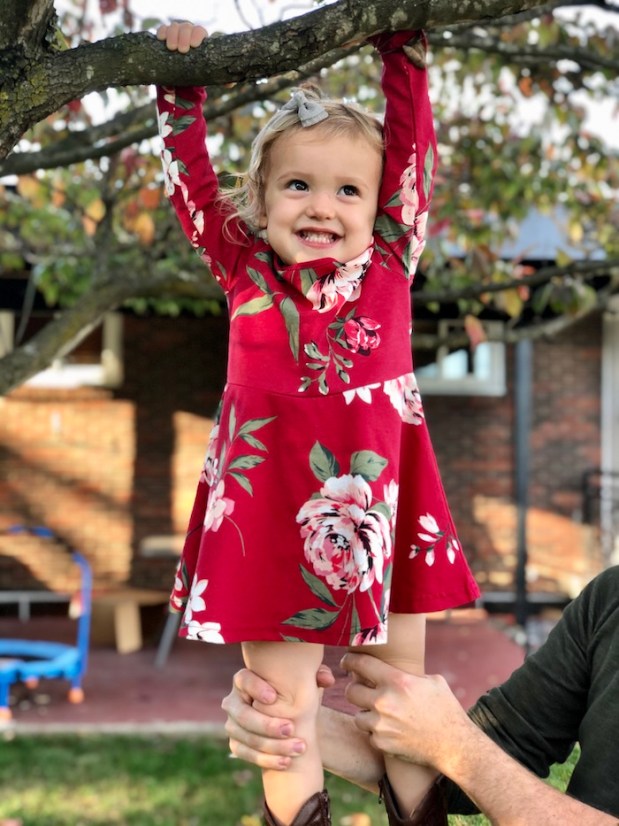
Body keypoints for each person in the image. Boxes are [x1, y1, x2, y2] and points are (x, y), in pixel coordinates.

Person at [155, 20, 479, 826]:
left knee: (399, 697)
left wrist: (399, 43)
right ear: (258, 203)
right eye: (296, 186)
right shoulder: (242, 264)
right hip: (266, 506)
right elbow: (187, 177)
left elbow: (411, 144)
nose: (321, 206)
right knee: (278, 706)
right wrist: (176, 86)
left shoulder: (393, 258)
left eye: (347, 190)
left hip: (382, 503)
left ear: (380, 205)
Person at [223, 566, 619, 824]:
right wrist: (294, 724)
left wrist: (453, 746)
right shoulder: (611, 601)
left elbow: (466, 758)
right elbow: (499, 752)